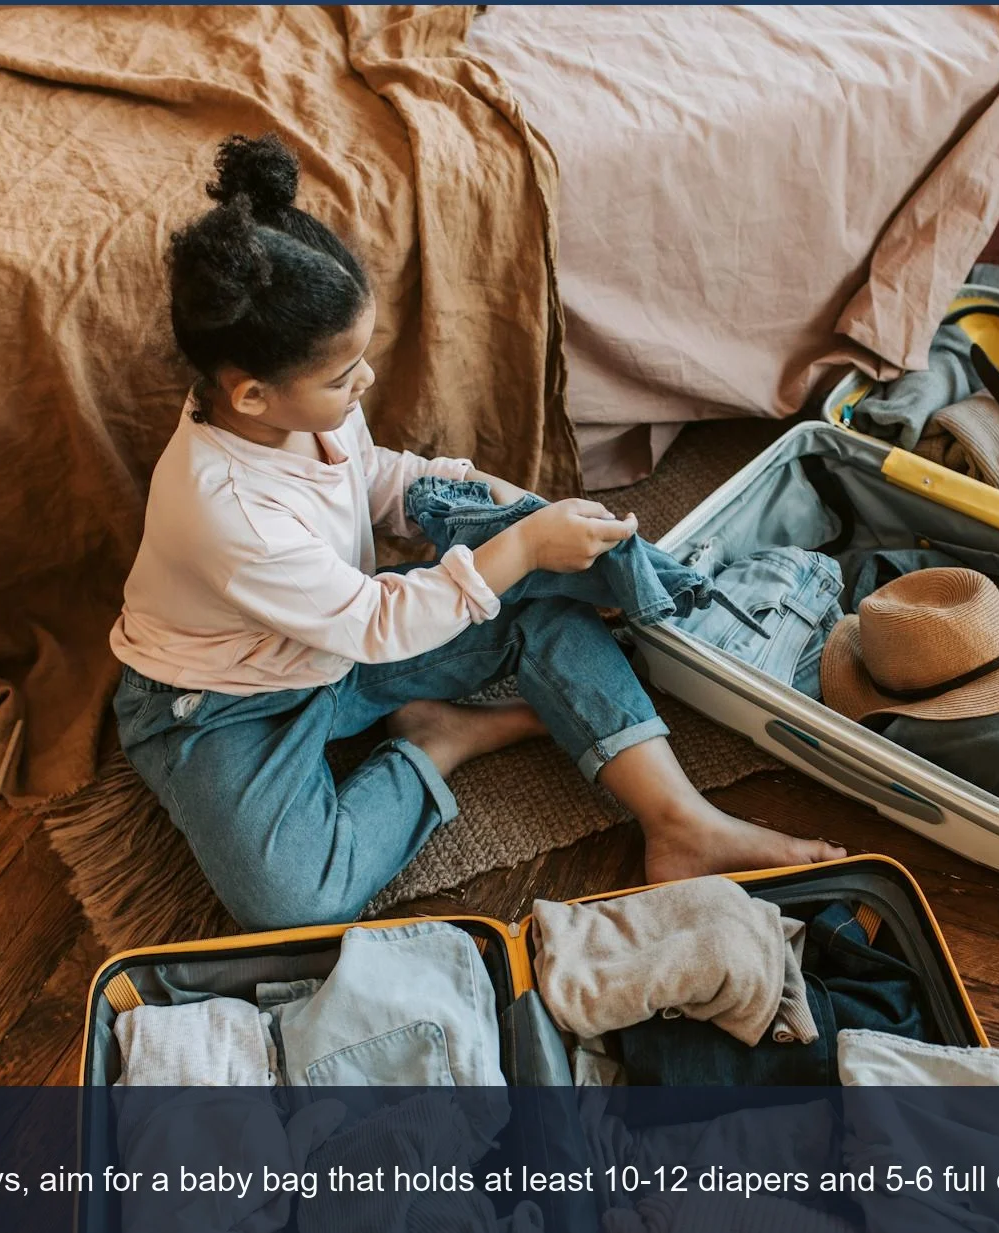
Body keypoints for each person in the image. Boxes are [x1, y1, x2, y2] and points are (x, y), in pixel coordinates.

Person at [110, 134, 842, 930]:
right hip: (226, 701)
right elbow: (379, 619)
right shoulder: (226, 511)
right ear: (251, 396)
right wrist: (520, 546)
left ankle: (680, 820)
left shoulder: (302, 415)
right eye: (341, 375)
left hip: (339, 650)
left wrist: (469, 498)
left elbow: (372, 477)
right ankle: (439, 742)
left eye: (363, 359)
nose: (366, 383)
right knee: (291, 897)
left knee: (539, 606)